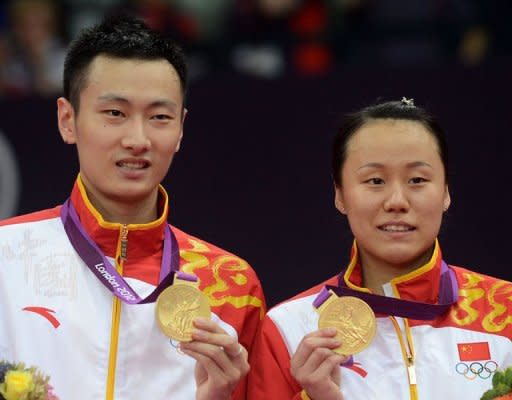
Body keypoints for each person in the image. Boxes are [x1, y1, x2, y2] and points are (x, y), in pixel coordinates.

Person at [0, 14, 265, 400]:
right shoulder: (5, 256)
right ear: (67, 119)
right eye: (115, 113)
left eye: (159, 117)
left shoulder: (233, 286)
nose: (138, 139)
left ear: (180, 130)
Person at [247, 98, 512, 399]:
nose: (397, 201)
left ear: (446, 192)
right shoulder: (289, 329)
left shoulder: (506, 310)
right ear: (340, 195)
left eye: (417, 180)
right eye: (375, 181)